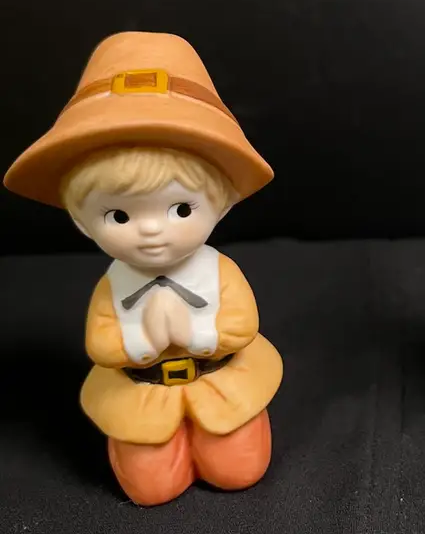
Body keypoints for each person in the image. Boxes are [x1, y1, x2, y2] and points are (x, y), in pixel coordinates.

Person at [4, 32, 282, 506]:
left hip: (220, 386)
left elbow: (241, 325)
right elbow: (102, 342)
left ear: (222, 205)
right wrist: (144, 341)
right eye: (119, 216)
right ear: (81, 222)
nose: (152, 231)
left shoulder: (219, 271)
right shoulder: (114, 285)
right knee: (152, 486)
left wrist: (193, 334)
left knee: (238, 469)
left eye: (180, 210)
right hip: (144, 396)